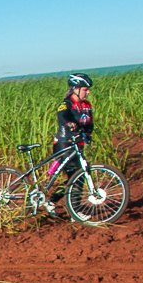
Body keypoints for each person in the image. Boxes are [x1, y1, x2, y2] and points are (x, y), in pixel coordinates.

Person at [46, 73, 94, 213]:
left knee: (77, 176)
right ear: (76, 89)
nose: (88, 92)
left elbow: (89, 123)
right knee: (77, 176)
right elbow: (62, 115)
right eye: (85, 89)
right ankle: (75, 212)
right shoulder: (66, 104)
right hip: (63, 143)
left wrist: (87, 134)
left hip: (77, 145)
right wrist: (69, 123)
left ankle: (51, 200)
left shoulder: (87, 105)